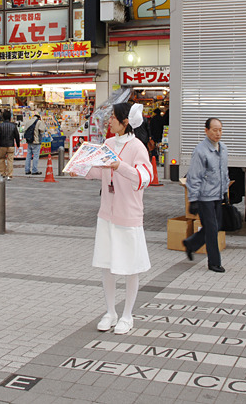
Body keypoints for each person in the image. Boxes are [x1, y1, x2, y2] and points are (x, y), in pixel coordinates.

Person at [82, 103, 152, 335]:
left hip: (129, 215)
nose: (108, 121)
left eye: (113, 117)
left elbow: (144, 178)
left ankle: (127, 315)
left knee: (130, 267)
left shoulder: (137, 147)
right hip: (107, 214)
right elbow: (100, 171)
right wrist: (81, 169)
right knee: (107, 266)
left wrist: (120, 166)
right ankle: (110, 312)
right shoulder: (108, 144)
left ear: (125, 122)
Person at [182, 117, 229, 273]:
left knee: (216, 226)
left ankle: (191, 244)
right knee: (211, 229)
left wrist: (225, 192)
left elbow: (224, 172)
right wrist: (193, 199)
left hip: (217, 195)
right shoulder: (200, 151)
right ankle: (214, 262)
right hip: (204, 197)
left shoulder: (223, 148)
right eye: (214, 130)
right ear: (206, 130)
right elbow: (194, 176)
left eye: (220, 130)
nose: (218, 133)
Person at [0, 110, 20, 179]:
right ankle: (10, 174)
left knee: (2, 159)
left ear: (3, 117)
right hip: (11, 145)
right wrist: (18, 144)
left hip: (2, 145)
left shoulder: (0, 125)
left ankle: (3, 173)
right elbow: (17, 135)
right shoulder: (13, 125)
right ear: (10, 117)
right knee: (10, 159)